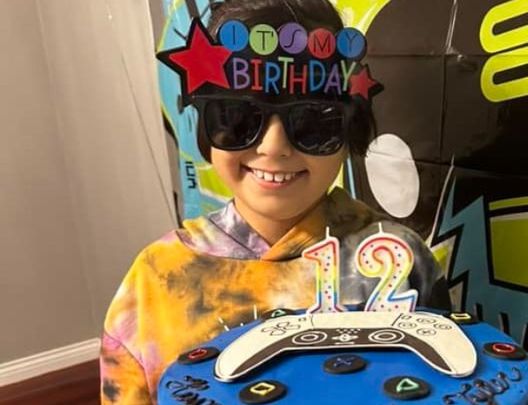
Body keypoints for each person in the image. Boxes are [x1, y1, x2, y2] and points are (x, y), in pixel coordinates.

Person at [100, 0, 450, 403]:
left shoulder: (399, 258)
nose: (273, 147)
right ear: (206, 126)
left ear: (348, 132)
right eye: (238, 118)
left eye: (313, 123)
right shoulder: (154, 281)